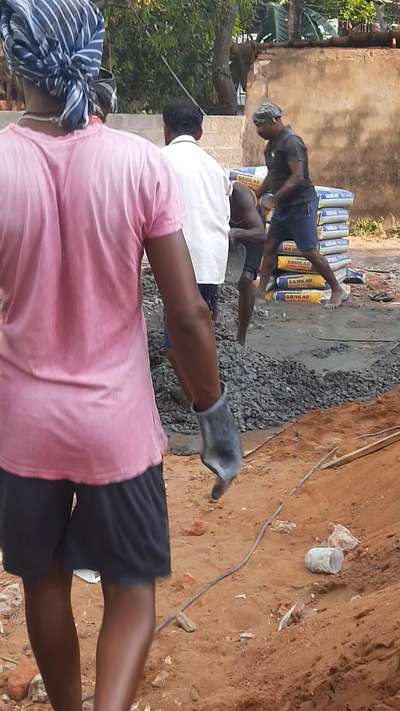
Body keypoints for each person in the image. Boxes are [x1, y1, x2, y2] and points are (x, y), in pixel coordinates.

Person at [0, 4, 241, 711]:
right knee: (131, 587)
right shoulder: (139, 164)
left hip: (24, 429)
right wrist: (215, 420)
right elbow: (189, 316)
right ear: (94, 61)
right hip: (118, 429)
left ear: (17, 67)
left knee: (41, 580)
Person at [162, 99, 232, 398]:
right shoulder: (214, 166)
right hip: (213, 259)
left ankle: (200, 396)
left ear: (166, 129)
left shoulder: (159, 158)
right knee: (203, 325)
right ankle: (207, 387)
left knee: (175, 338)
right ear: (200, 132)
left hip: (180, 258)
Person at [253, 102, 349, 309]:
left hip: (300, 204)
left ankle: (337, 290)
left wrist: (274, 199)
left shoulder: (291, 142)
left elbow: (297, 176)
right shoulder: (271, 145)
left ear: (274, 121)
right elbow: (273, 175)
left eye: (260, 125)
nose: (258, 131)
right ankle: (260, 294)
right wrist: (256, 195)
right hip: (284, 206)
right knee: (269, 246)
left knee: (308, 251)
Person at [229, 181, 266, 345]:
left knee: (245, 279)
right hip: (228, 230)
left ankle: (241, 339)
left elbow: (260, 233)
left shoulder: (240, 194)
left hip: (252, 231)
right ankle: (209, 326)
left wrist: (237, 232)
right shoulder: (206, 198)